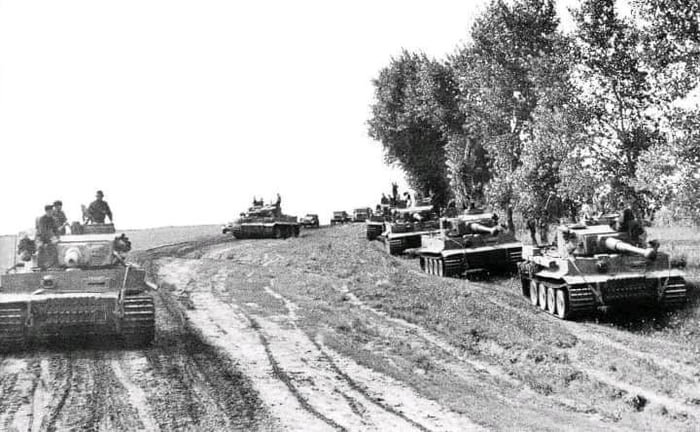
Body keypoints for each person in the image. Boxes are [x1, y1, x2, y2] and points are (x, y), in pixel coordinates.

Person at [36, 204, 59, 269]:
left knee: (54, 248)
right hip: (41, 237)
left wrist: (56, 238)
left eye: (51, 211)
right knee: (41, 248)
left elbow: (56, 230)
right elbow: (42, 231)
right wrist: (49, 239)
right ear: (46, 212)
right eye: (49, 212)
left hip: (50, 237)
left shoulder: (53, 219)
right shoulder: (42, 219)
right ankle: (40, 266)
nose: (50, 213)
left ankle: (53, 265)